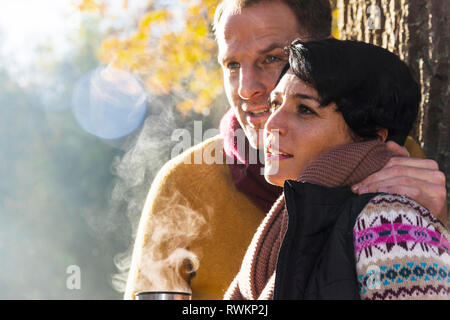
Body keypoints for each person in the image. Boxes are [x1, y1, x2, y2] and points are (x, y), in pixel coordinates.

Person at [124, 0, 448, 300]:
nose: (246, 88)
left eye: (271, 59)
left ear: (319, 52)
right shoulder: (185, 183)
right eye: (233, 64)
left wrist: (440, 221)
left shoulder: (398, 164)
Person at [224, 38, 449, 300]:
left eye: (305, 110)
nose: (272, 123)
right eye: (276, 104)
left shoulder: (390, 221)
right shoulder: (288, 222)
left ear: (374, 137)